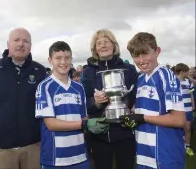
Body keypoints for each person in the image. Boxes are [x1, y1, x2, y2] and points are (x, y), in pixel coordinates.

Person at [0, 28, 47, 169]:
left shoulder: (40, 71)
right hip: (2, 148)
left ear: (30, 46)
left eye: (25, 41)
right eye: (16, 40)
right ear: (8, 44)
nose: (21, 44)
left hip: (33, 146)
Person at [123, 32, 186, 169]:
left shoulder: (166, 76)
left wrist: (143, 118)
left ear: (157, 51)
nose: (141, 60)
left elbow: (179, 119)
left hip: (166, 156)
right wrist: (130, 116)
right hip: (144, 155)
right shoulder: (140, 79)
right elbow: (143, 111)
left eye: (145, 53)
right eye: (136, 56)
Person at [81, 29, 137, 169]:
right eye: (99, 43)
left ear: (114, 45)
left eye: (106, 41)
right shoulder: (88, 72)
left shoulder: (129, 69)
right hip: (99, 135)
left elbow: (136, 97)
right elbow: (84, 103)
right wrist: (95, 102)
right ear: (95, 49)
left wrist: (133, 111)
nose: (103, 45)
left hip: (125, 132)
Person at [35, 41, 91, 169]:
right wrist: (82, 124)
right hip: (55, 159)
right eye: (58, 58)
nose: (63, 62)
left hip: (80, 156)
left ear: (71, 59)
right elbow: (51, 124)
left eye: (67, 58)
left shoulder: (79, 87)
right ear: (50, 60)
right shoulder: (44, 87)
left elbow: (84, 118)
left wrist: (88, 125)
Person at [173, 63, 195, 155]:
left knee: (188, 128)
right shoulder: (173, 82)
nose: (188, 73)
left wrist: (193, 105)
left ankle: (187, 146)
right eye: (187, 71)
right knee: (178, 128)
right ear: (182, 72)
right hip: (178, 109)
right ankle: (178, 145)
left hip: (188, 108)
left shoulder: (188, 82)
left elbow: (191, 95)